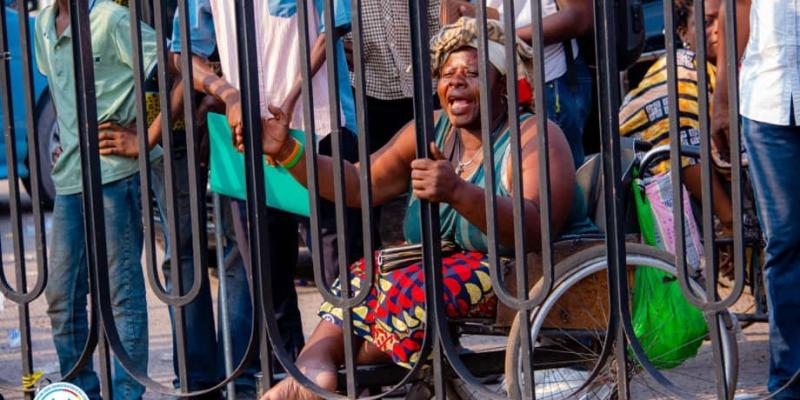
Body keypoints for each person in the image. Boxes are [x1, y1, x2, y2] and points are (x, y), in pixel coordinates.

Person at [245, 17, 596, 399]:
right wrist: (288, 152)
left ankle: (329, 369)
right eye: (447, 73)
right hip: (447, 269)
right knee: (365, 272)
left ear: (502, 85)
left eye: (473, 73)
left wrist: (458, 191)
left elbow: (534, 229)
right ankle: (315, 368)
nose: (456, 81)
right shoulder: (430, 131)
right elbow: (358, 184)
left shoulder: (536, 136)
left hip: (516, 273)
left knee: (408, 290)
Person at [33, 0, 160, 398]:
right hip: (70, 179)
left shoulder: (111, 19)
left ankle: (126, 394)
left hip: (114, 178)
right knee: (61, 296)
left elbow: (176, 68)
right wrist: (64, 138)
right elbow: (60, 87)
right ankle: (79, 389)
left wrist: (144, 139)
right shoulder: (43, 24)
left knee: (122, 295)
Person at [714, 0, 800, 397]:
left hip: (772, 98)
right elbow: (738, 9)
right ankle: (787, 381)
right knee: (784, 243)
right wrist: (723, 101)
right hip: (768, 100)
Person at [618, 0, 734, 238]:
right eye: (706, 22)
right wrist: (730, 220)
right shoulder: (683, 66)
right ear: (683, 32)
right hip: (658, 210)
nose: (717, 30)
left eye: (723, 19)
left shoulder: (729, 71)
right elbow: (679, 145)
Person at [451, 0, 594, 168]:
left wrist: (503, 37)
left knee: (550, 177)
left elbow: (580, 16)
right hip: (491, 84)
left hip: (547, 82)